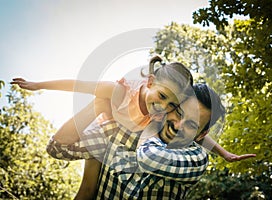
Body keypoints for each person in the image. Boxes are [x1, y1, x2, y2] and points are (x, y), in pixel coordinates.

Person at [11, 57, 256, 199]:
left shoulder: (193, 158)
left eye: (171, 104)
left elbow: (158, 153)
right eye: (177, 112)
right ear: (150, 83)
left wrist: (225, 154)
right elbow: (79, 86)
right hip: (110, 122)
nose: (161, 108)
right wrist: (39, 85)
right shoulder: (120, 96)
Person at [46, 83, 224, 199]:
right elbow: (58, 148)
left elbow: (148, 158)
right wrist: (99, 105)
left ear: (201, 135)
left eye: (192, 125)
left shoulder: (196, 159)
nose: (178, 125)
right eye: (179, 112)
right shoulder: (121, 128)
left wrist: (149, 127)